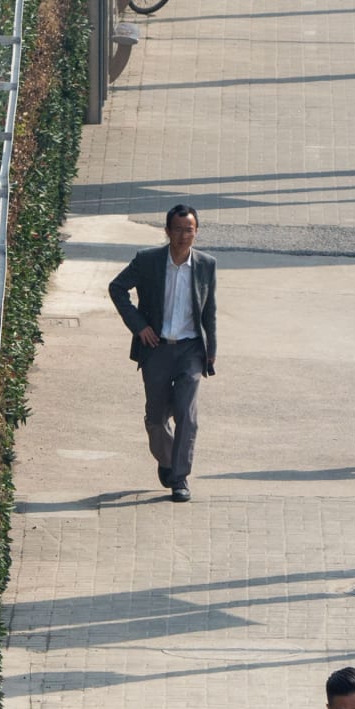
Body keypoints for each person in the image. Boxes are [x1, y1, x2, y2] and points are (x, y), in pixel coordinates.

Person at [107, 204, 218, 503]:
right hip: (156, 348)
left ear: (196, 231)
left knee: (187, 414)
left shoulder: (206, 264)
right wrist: (139, 326)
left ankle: (179, 478)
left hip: (191, 349)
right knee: (156, 418)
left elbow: (209, 312)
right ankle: (167, 460)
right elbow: (117, 288)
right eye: (178, 230)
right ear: (167, 231)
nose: (184, 236)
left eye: (189, 230)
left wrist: (211, 352)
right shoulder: (148, 261)